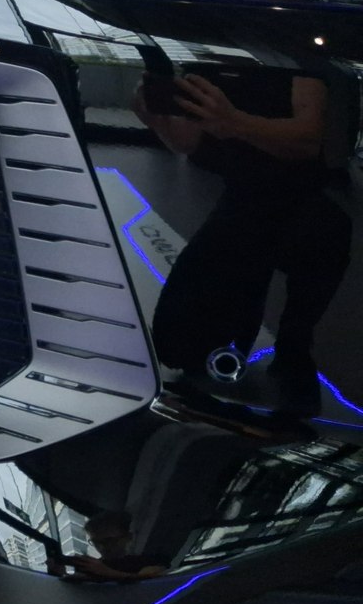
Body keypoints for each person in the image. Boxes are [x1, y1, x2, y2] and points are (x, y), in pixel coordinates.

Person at [133, 70, 351, 417]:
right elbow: (188, 143)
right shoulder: (207, 68)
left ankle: (294, 345)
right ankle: (257, 321)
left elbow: (308, 140)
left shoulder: (291, 64)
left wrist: (233, 122)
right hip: (243, 202)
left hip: (298, 201)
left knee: (326, 234)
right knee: (179, 346)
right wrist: (157, 119)